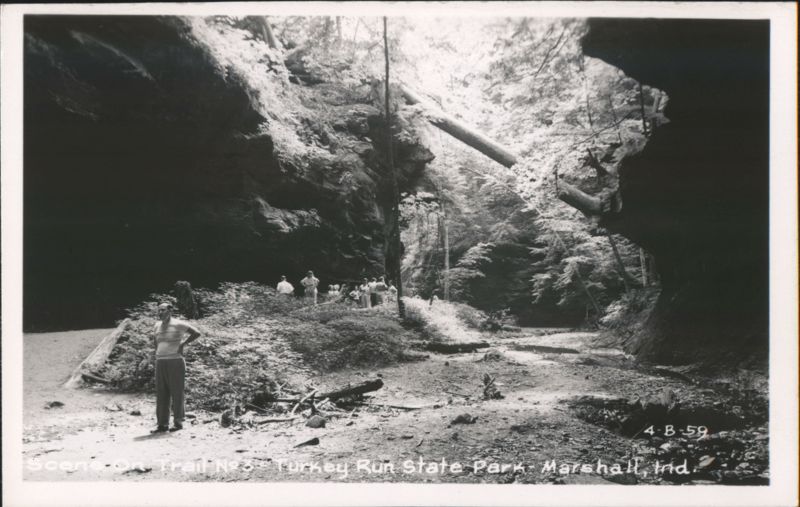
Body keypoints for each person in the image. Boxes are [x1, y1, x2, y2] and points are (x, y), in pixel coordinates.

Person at [152, 302, 201, 433]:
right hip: (160, 362)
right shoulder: (157, 325)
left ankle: (178, 422)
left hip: (175, 361)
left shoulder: (178, 324)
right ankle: (162, 424)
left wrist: (183, 344)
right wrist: (157, 354)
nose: (160, 312)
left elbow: (196, 333)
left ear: (170, 311)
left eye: (163, 310)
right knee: (161, 393)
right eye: (159, 310)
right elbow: (155, 341)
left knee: (176, 391)